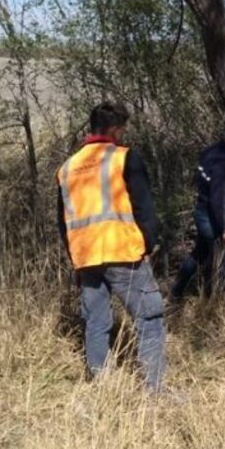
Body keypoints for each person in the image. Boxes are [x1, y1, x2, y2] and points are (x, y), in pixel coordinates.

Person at [56, 102, 166, 391]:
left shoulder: (68, 168)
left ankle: (102, 386)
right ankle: (155, 390)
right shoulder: (124, 157)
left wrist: (75, 259)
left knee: (96, 323)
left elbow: (62, 222)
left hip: (86, 257)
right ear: (115, 130)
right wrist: (149, 243)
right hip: (123, 252)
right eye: (122, 130)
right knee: (149, 317)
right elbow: (143, 206)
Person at [171, 120, 225, 301]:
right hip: (212, 217)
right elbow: (218, 198)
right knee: (221, 258)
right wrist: (224, 228)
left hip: (204, 211)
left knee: (199, 254)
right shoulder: (223, 162)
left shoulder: (210, 152)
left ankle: (177, 291)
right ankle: (211, 299)